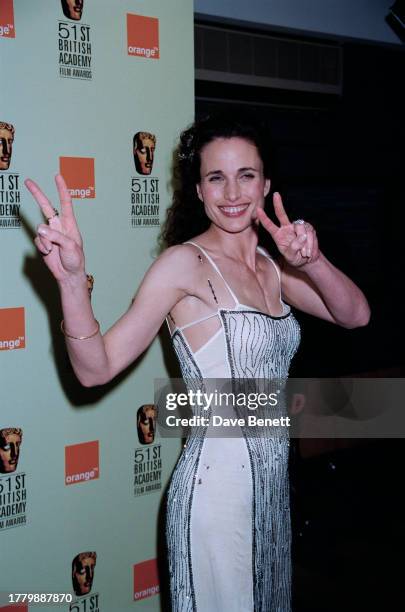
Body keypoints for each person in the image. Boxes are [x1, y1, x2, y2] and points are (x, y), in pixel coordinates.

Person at [25, 113, 370, 611]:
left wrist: (312, 261)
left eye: (246, 175)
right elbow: (94, 369)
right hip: (215, 498)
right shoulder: (182, 265)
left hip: (272, 496)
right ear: (200, 191)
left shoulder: (275, 268)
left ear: (266, 183)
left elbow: (356, 315)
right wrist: (72, 282)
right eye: (216, 177)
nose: (232, 192)